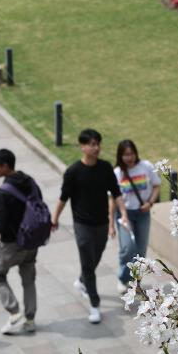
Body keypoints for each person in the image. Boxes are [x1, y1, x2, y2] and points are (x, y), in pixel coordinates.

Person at [50, 129, 130, 324]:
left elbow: (116, 192)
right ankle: (95, 305)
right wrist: (55, 218)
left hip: (101, 223)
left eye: (98, 144)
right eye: (92, 144)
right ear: (83, 146)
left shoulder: (105, 168)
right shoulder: (73, 171)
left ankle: (82, 280)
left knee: (96, 256)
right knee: (88, 261)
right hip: (82, 224)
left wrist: (123, 212)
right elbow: (63, 197)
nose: (96, 148)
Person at [0, 149, 41, 335]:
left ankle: (13, 311)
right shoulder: (30, 181)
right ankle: (30, 319)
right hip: (32, 240)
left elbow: (2, 226)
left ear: (5, 166)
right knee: (28, 279)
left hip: (12, 244)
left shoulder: (3, 193)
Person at [110, 140, 160, 294]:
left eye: (131, 154)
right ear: (120, 156)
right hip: (125, 214)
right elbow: (112, 199)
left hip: (143, 213)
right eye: (125, 155)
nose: (129, 157)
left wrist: (150, 203)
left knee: (140, 251)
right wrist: (110, 223)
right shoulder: (117, 173)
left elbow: (156, 186)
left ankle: (135, 281)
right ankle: (123, 278)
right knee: (127, 248)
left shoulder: (146, 166)